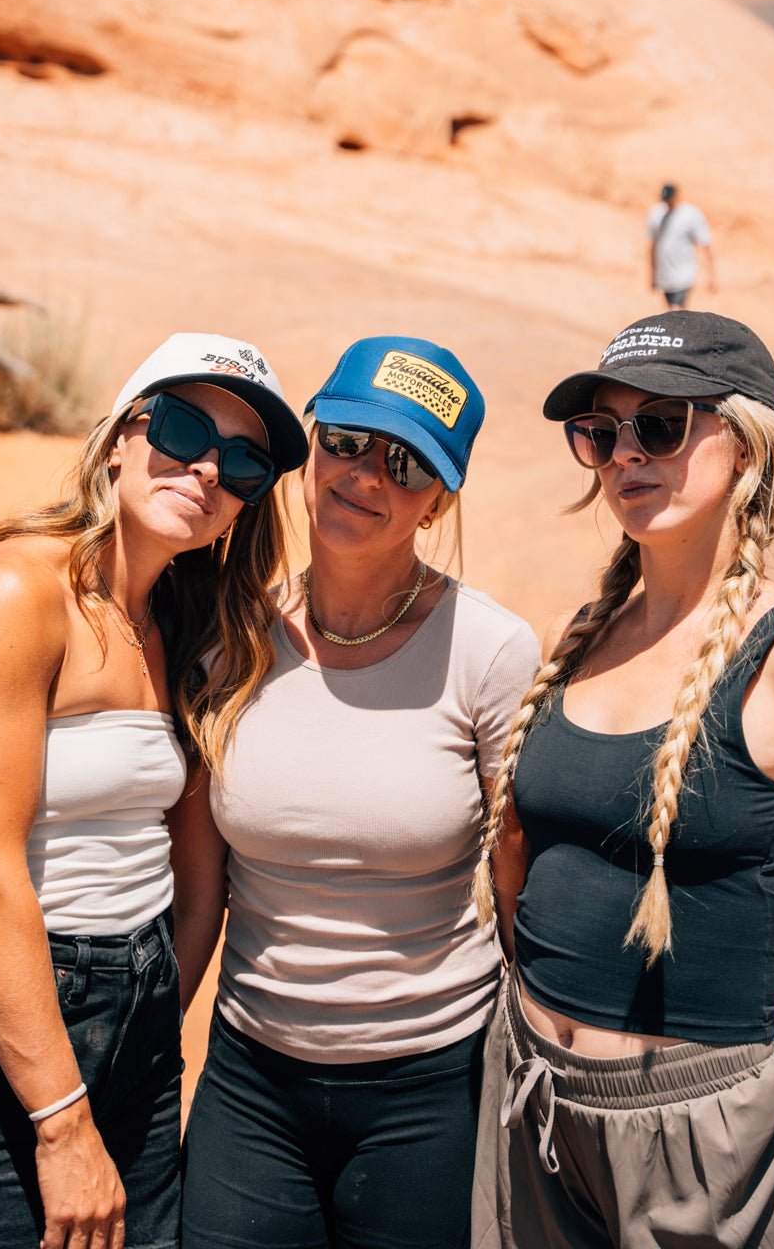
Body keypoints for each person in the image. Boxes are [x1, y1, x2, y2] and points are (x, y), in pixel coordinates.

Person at [0, 333, 308, 1249]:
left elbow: (197, 876)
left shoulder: (184, 625)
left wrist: (144, 1018)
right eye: (183, 429)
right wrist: (63, 1121)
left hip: (139, 1034)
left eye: (243, 463)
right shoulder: (14, 594)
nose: (204, 469)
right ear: (119, 437)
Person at [472, 310, 774, 1249]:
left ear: (743, 446)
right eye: (600, 432)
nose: (625, 454)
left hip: (706, 1142)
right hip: (533, 1106)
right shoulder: (586, 633)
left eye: (659, 424)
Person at [179, 335, 541, 1249]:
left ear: (439, 498)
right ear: (310, 447)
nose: (366, 476)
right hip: (249, 1081)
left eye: (407, 462)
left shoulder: (490, 652)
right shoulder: (232, 635)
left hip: (431, 1091)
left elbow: (518, 887)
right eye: (345, 442)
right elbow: (199, 891)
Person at [647, 181, 716, 308]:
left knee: (676, 311)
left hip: (684, 274)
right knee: (672, 312)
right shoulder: (657, 214)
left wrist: (711, 276)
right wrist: (653, 274)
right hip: (665, 275)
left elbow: (706, 244)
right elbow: (653, 245)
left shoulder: (691, 215)